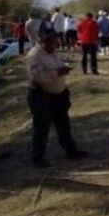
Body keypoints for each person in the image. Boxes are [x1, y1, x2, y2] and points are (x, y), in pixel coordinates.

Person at [25, 32, 89, 167]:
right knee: (42, 127)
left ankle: (70, 150)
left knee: (63, 125)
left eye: (57, 43)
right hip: (41, 96)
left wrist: (63, 68)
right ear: (44, 43)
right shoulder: (34, 56)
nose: (57, 46)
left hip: (58, 95)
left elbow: (55, 65)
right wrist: (58, 72)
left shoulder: (51, 52)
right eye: (54, 43)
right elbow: (37, 77)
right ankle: (38, 157)